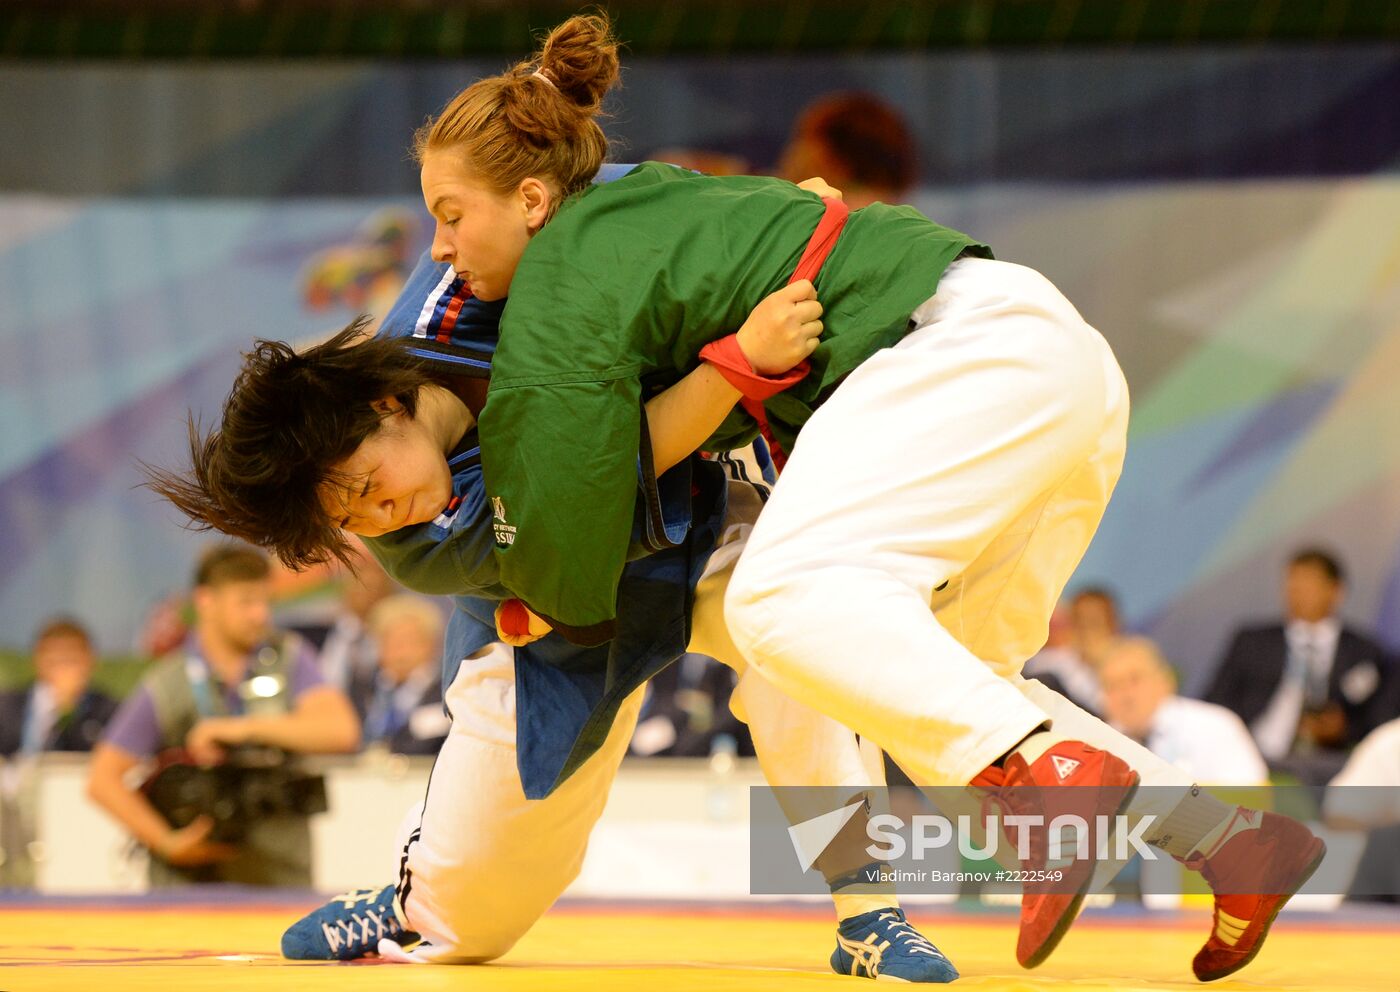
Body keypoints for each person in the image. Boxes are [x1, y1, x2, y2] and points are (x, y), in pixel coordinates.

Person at [391, 13, 1326, 980]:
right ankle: (1231, 844)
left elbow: (574, 518)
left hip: (962, 353)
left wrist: (533, 585)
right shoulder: (658, 203)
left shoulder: (556, 284)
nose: (440, 247)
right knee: (937, 682)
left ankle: (999, 826)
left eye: (450, 215)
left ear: (534, 198)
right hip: (1054, 358)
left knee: (781, 605)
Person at [150, 242, 957, 976]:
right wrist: (736, 362)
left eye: (364, 488)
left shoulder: (466, 287)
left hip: (704, 524)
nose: (378, 517)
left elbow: (640, 217)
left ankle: (868, 913)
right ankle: (409, 908)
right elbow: (605, 474)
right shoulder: (420, 544)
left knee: (797, 637)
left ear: (387, 406)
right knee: (471, 920)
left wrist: (783, 227)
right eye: (347, 522)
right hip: (552, 627)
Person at [86, 543, 360, 886]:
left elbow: (340, 731)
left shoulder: (290, 657)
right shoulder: (171, 680)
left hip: (281, 877)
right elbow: (102, 780)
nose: (260, 614)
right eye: (246, 602)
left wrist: (241, 730)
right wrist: (167, 843)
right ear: (206, 602)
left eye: (265, 601)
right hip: (186, 887)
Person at [1206, 548, 1397, 772]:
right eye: (1292, 585)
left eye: (1309, 585)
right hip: (1251, 756)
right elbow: (1215, 704)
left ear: (1335, 591)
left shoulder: (1366, 652)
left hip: (1328, 765)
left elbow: (1383, 723)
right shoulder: (1252, 643)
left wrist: (1343, 729)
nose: (1297, 594)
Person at [1100, 637, 1268, 786]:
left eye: (1134, 680)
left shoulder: (1214, 725)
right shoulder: (1098, 744)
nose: (1125, 695)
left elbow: (1249, 801)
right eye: (1112, 685)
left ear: (1165, 680)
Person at [776, 91, 918, 208]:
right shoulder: (910, 225)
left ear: (829, 160)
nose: (792, 153)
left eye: (802, 138)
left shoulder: (817, 218)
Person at [0, 618, 118, 757]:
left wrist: (67, 709)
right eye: (54, 661)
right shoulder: (6, 705)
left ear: (91, 661)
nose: (63, 670)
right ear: (37, 661)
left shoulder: (110, 710)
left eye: (72, 661)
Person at [354, 594, 449, 755]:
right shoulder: (362, 687)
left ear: (433, 645)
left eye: (410, 641)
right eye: (392, 641)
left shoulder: (447, 692)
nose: (401, 653)